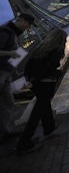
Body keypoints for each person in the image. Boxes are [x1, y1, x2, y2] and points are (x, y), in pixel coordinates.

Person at [16, 28, 67, 155]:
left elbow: (28, 65)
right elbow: (50, 67)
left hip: (36, 83)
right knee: (37, 112)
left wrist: (31, 79)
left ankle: (48, 127)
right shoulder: (58, 50)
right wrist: (59, 72)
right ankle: (24, 143)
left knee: (44, 105)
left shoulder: (40, 48)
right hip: (46, 83)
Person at [0, 13, 35, 143]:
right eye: (28, 24)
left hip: (6, 72)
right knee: (6, 102)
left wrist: (12, 69)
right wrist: (10, 53)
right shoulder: (5, 32)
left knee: (8, 102)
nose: (28, 28)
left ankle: (7, 130)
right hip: (1, 71)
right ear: (22, 21)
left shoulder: (13, 34)